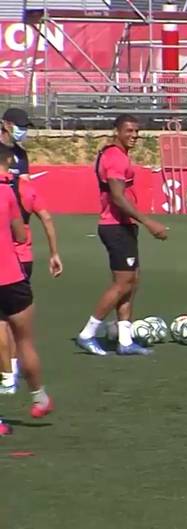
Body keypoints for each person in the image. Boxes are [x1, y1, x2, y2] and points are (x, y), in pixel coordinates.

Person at [75, 114, 168, 356]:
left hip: (122, 226)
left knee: (132, 281)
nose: (134, 135)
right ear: (117, 131)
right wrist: (148, 222)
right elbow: (117, 197)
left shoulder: (117, 155)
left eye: (136, 131)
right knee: (123, 282)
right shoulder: (115, 158)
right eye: (129, 131)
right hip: (114, 226)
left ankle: (125, 340)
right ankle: (87, 333)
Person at [1, 107, 62, 394]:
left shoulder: (21, 156)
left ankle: (10, 371)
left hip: (18, 238)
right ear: (6, 124)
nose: (23, 130)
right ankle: (11, 373)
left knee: (11, 316)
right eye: (20, 125)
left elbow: (23, 192)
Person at [0, 145, 53, 437]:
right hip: (10, 276)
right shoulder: (8, 192)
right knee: (25, 341)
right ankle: (39, 397)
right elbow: (20, 234)